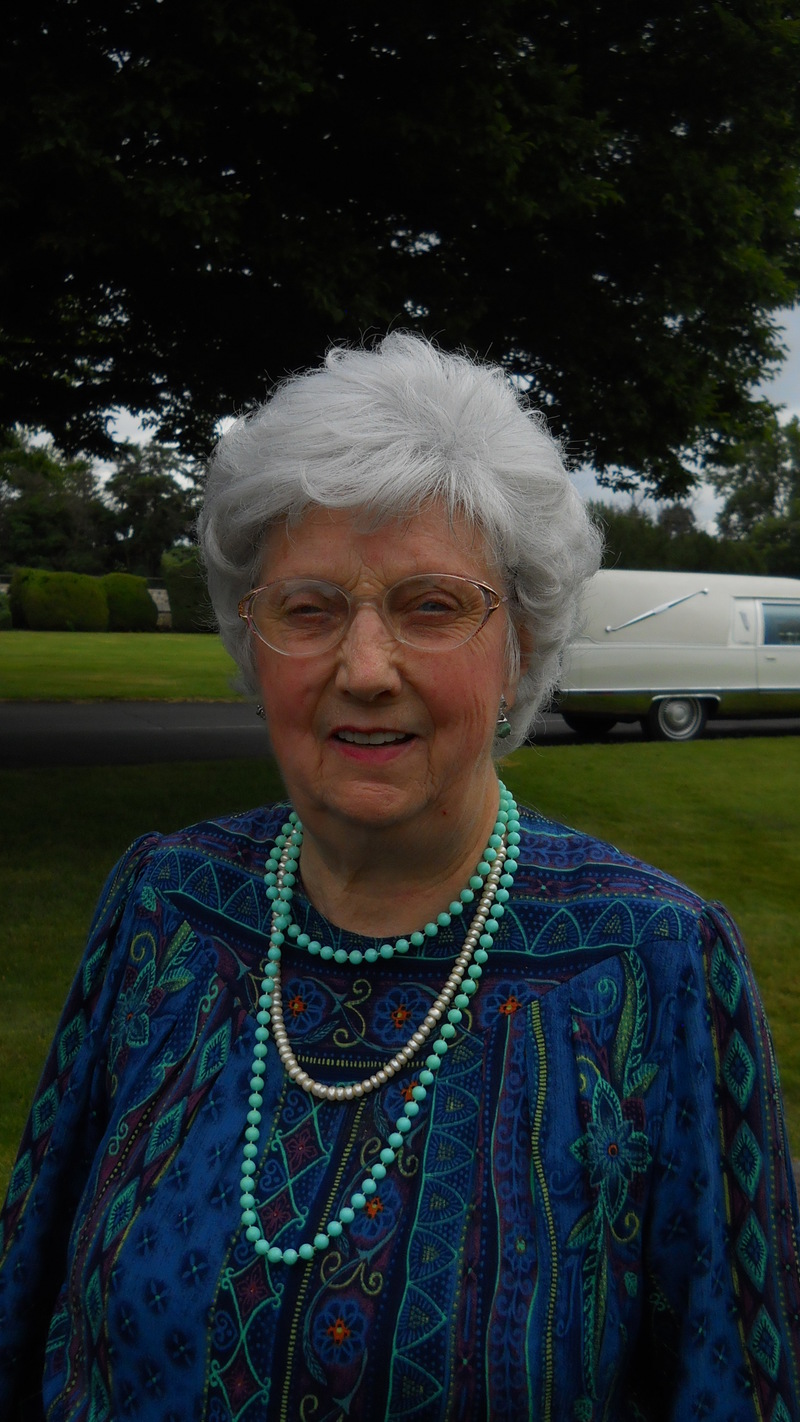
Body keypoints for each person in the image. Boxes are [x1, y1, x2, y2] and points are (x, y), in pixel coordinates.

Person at [1, 333, 798, 1422]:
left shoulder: (652, 962)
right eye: (309, 608)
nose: (363, 669)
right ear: (254, 637)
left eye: (429, 607)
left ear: (516, 643)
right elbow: (27, 1292)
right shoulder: (163, 901)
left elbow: (734, 1381)